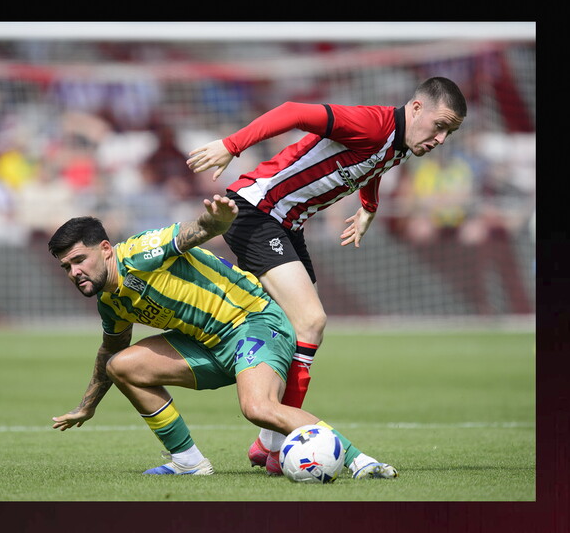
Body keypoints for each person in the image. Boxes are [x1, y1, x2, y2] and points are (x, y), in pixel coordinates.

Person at [186, 77, 467, 474]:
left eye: (449, 133)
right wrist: (231, 146)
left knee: (293, 329)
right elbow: (294, 112)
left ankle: (269, 443)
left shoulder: (401, 143)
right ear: (417, 108)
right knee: (311, 320)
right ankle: (278, 441)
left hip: (286, 224)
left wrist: (369, 205)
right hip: (255, 211)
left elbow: (375, 163)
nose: (441, 139)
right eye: (440, 125)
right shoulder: (372, 123)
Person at [48, 194, 397, 479]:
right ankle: (188, 462)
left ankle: (360, 461)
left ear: (106, 248)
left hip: (254, 322)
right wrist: (86, 406)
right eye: (67, 267)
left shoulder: (141, 253)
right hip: (209, 346)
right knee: (120, 365)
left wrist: (216, 223)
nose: (74, 272)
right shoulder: (110, 302)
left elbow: (191, 233)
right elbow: (108, 352)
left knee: (257, 408)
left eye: (79, 260)